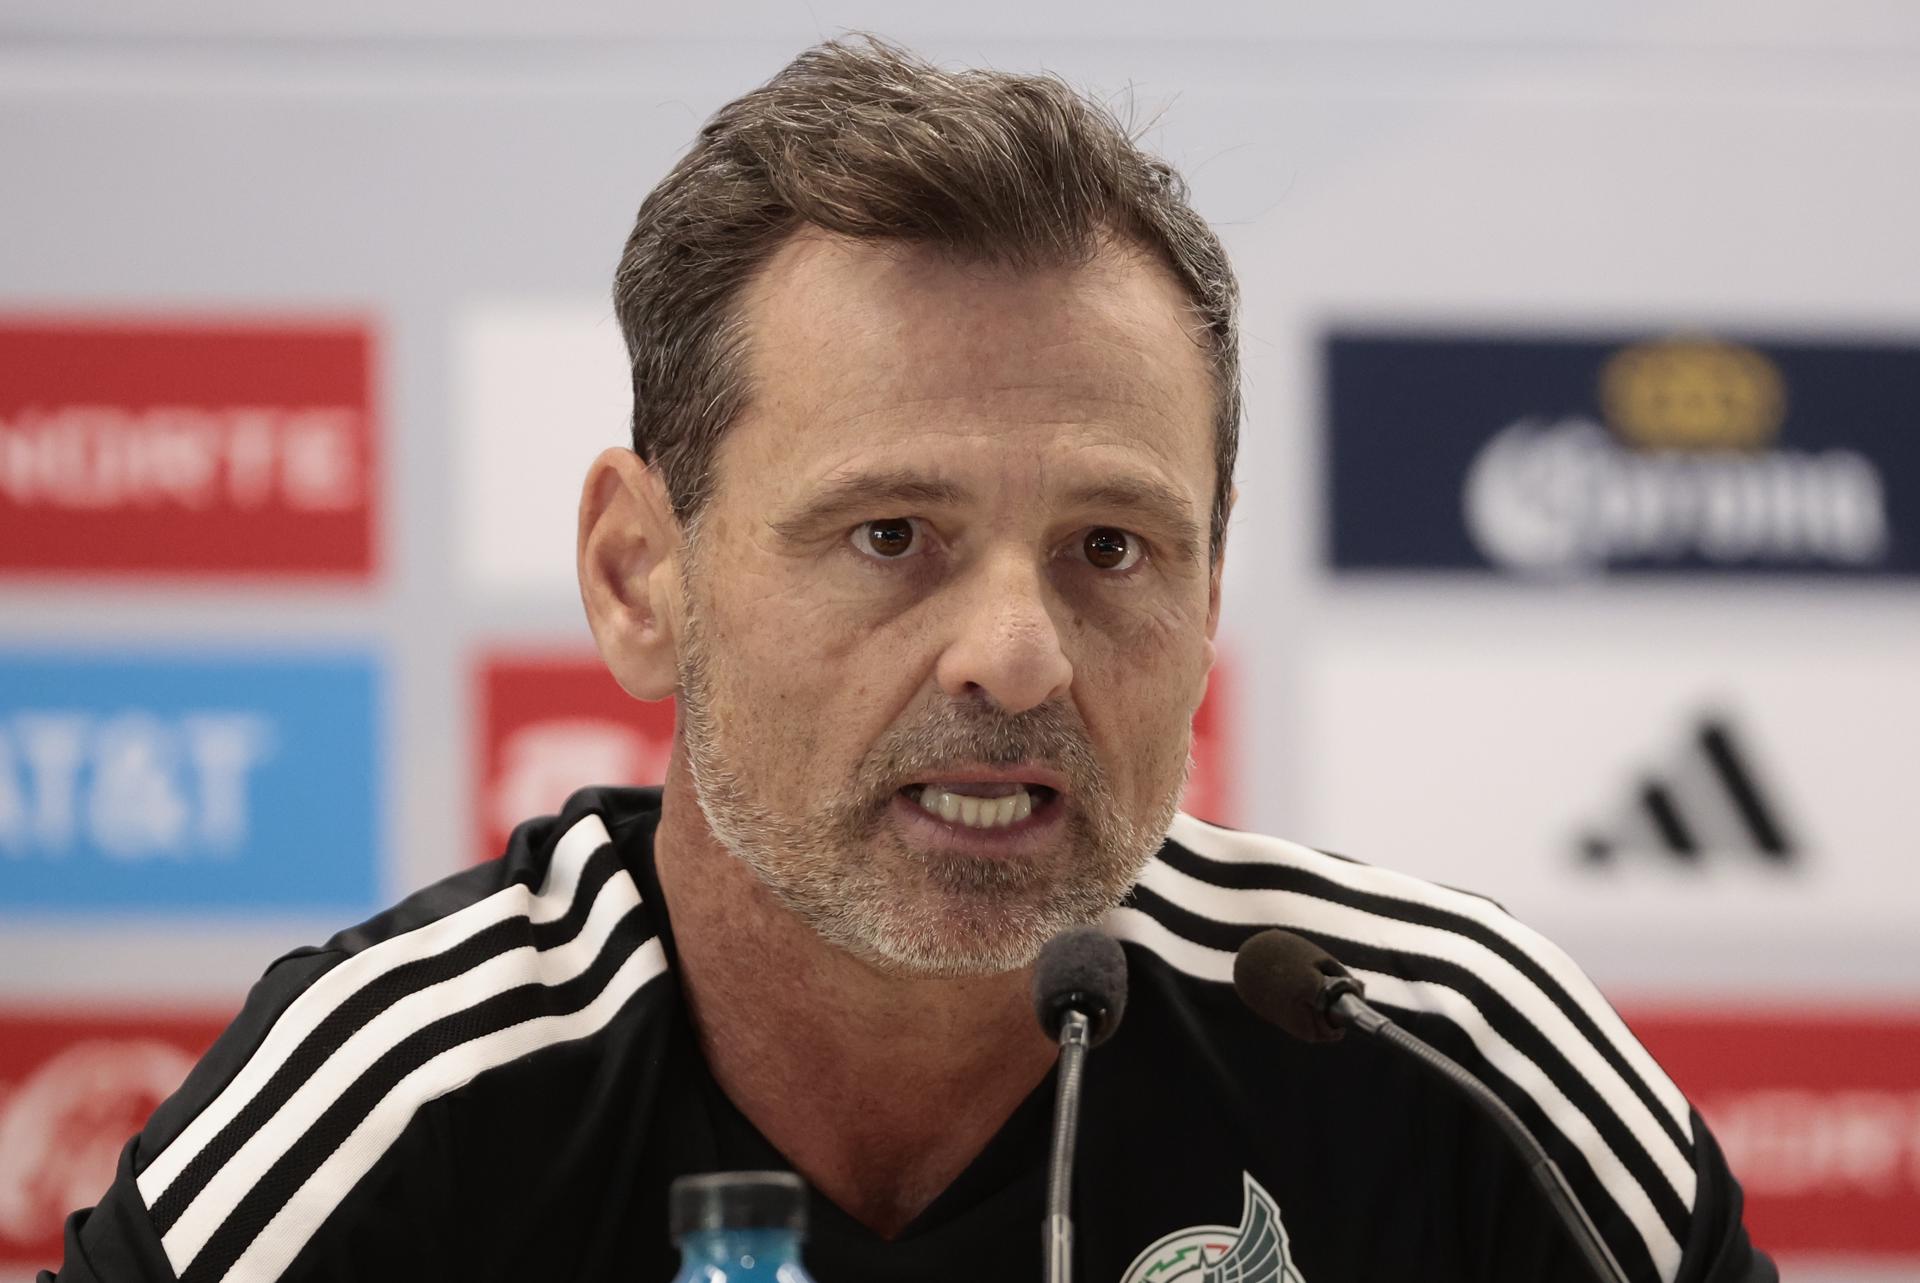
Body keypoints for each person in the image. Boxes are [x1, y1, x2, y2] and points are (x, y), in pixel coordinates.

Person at [46, 36, 1775, 1283]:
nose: (1019, 660)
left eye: (1113, 548)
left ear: (1212, 592)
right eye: (892, 537)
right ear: (640, 576)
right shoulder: (401, 1106)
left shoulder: (1444, 1059)